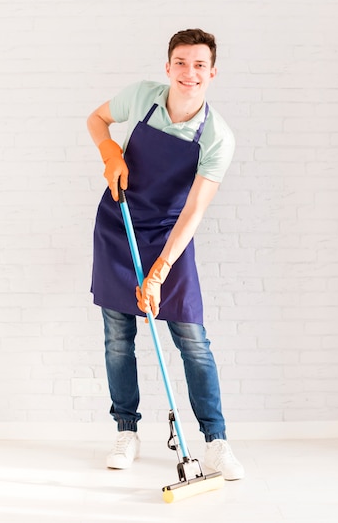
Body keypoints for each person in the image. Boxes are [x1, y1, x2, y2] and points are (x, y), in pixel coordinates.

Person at [87, 28, 244, 480]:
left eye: (199, 65)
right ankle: (126, 431)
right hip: (119, 226)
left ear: (211, 73)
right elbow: (96, 120)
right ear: (168, 67)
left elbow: (194, 210)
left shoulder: (216, 137)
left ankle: (215, 442)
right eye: (180, 62)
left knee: (192, 340)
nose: (188, 73)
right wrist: (110, 151)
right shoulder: (143, 98)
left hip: (171, 237)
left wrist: (159, 271)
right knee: (118, 337)